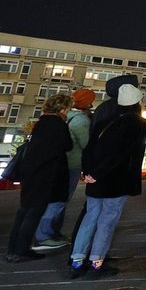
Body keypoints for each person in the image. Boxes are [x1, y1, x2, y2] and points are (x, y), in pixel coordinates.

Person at [69, 84, 146, 279]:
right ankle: (97, 263)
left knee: (90, 218)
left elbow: (89, 149)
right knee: (107, 221)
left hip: (95, 180)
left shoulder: (103, 120)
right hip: (116, 180)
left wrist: (89, 172)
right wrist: (99, 173)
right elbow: (121, 154)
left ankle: (77, 261)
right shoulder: (136, 123)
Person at [7, 93, 74, 262]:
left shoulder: (41, 122)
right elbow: (67, 145)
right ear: (63, 108)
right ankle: (20, 250)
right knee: (33, 213)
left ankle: (14, 248)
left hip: (30, 173)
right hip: (45, 174)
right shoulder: (58, 124)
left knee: (24, 211)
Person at [33, 88, 94, 250]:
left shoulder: (63, 118)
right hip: (71, 165)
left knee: (56, 200)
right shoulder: (80, 121)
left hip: (55, 164)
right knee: (59, 201)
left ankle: (52, 232)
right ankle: (44, 235)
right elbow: (86, 145)